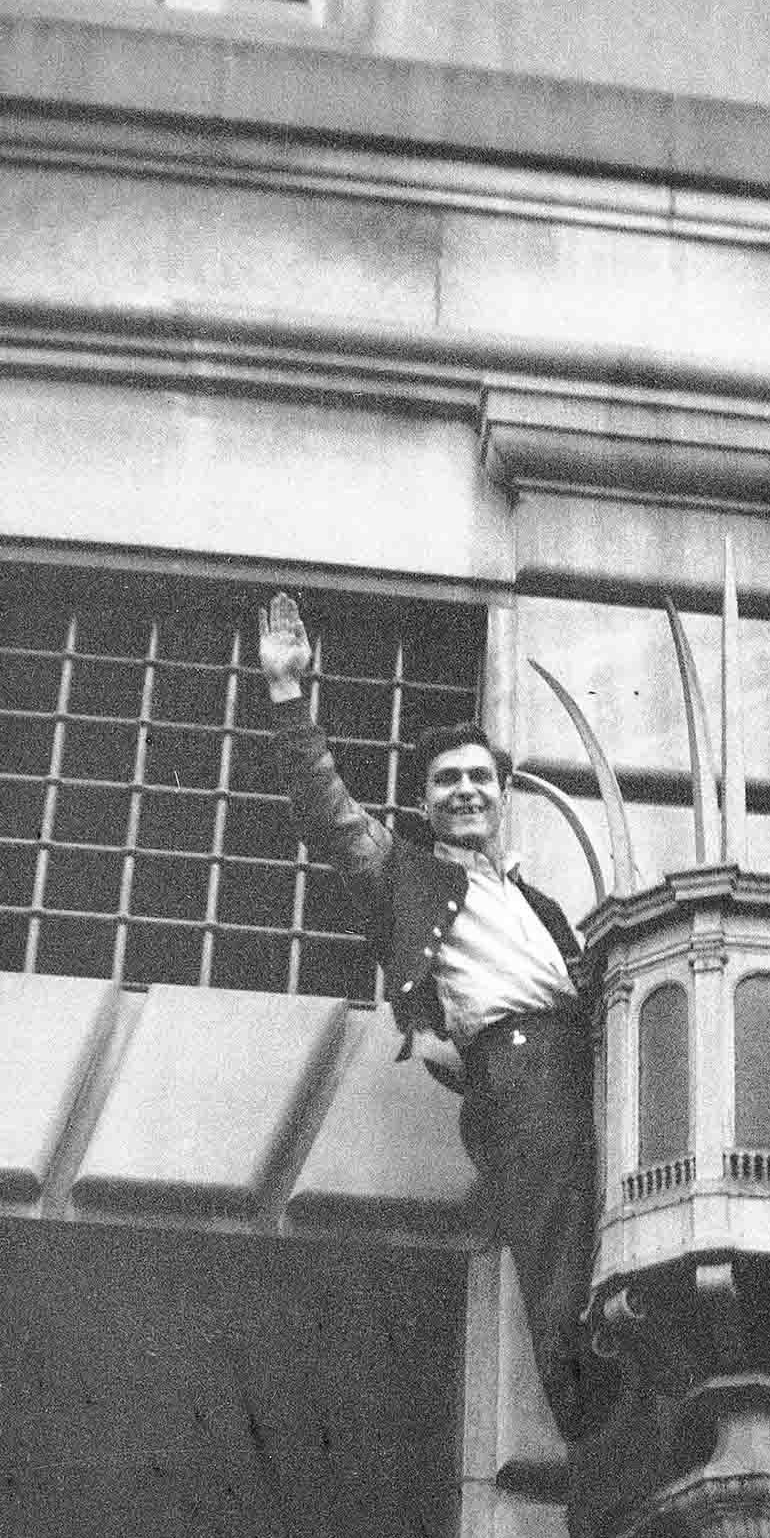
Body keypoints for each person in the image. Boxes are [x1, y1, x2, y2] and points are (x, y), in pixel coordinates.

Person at [257, 592, 605, 1440]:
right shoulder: (403, 874)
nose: (465, 792)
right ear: (424, 802)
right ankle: (602, 1457)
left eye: (479, 778)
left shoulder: (536, 899)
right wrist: (287, 695)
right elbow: (327, 812)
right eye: (448, 781)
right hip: (518, 1077)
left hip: (582, 1072)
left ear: (501, 794)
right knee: (563, 1268)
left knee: (615, 1260)